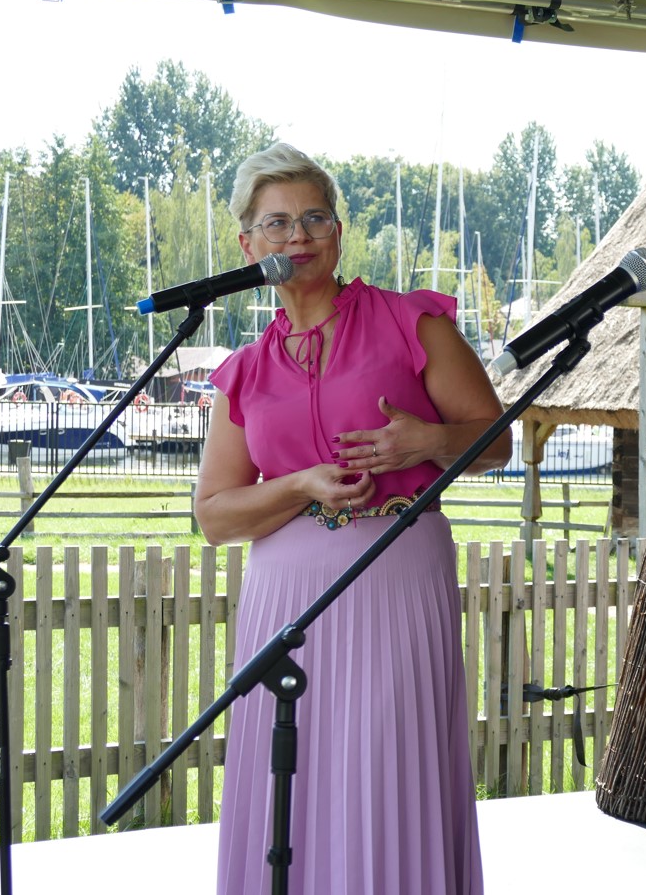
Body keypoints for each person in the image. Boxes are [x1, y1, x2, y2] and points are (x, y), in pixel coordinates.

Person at [196, 142, 509, 894]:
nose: (297, 236)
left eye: (314, 218)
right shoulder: (243, 372)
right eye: (277, 223)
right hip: (283, 600)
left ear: (338, 234)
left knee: (386, 766)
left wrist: (429, 439)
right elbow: (214, 513)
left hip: (395, 577)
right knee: (291, 777)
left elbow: (495, 438)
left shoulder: (411, 322)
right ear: (248, 245)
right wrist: (300, 484)